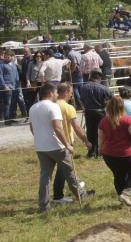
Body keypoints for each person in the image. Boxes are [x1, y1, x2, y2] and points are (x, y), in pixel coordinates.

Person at [29, 83, 94, 212]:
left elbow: (32, 128)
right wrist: (67, 145)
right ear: (50, 93)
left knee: (45, 176)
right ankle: (81, 195)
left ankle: (44, 205)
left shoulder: (33, 107)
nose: (57, 95)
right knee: (70, 172)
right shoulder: (53, 107)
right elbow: (58, 128)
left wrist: (40, 138)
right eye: (55, 92)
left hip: (41, 147)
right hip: (56, 146)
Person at [99, 96, 131, 206]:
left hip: (108, 154)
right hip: (126, 153)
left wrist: (100, 149)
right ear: (122, 107)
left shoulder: (103, 121)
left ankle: (122, 197)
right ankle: (126, 194)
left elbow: (101, 138)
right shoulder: (127, 119)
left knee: (118, 175)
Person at [53, 83, 92, 203]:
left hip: (52, 142)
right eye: (70, 93)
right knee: (67, 170)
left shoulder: (52, 105)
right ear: (65, 92)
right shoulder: (68, 107)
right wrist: (86, 140)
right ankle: (71, 193)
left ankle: (61, 193)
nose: (71, 95)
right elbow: (76, 127)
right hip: (65, 142)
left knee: (61, 169)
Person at [81, 69, 113, 158]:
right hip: (100, 112)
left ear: (90, 76)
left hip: (88, 112)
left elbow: (82, 100)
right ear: (99, 77)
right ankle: (101, 151)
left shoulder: (83, 88)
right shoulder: (104, 88)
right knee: (102, 132)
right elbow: (111, 99)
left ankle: (92, 153)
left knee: (90, 132)